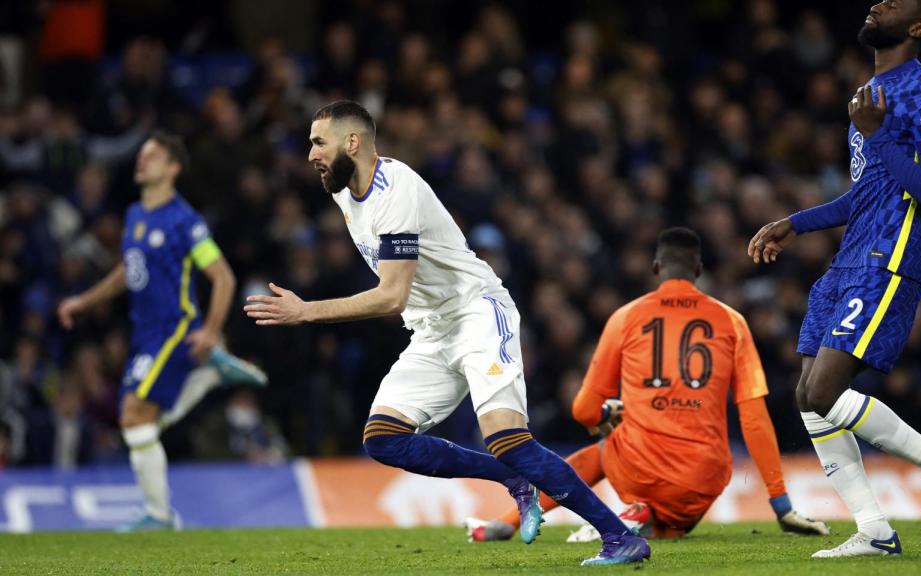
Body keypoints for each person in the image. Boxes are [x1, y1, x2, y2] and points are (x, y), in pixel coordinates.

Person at [243, 100, 650, 566]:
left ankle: (619, 537)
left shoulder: (395, 190)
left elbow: (391, 294)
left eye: (318, 142)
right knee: (383, 438)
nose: (310, 153)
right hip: (432, 327)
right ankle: (512, 478)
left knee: (506, 436)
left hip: (475, 311)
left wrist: (306, 311)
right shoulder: (341, 190)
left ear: (352, 142)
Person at [747, 0, 921, 559]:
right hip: (852, 253)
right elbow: (868, 191)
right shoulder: (866, 93)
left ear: (918, 28)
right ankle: (874, 529)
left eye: (895, 2)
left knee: (826, 390)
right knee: (807, 396)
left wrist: (876, 135)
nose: (879, 3)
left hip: (891, 252)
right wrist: (794, 223)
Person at [468, 228, 829, 542]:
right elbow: (753, 418)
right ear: (699, 270)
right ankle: (645, 517)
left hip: (641, 468)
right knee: (675, 525)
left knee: (601, 451)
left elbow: (583, 410)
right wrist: (781, 504)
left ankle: (511, 522)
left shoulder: (626, 317)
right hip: (705, 477)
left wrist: (614, 411)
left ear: (656, 268)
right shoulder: (732, 322)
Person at [57, 131, 268, 531]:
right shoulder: (136, 214)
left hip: (176, 327)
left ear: (174, 167)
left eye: (153, 155)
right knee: (138, 421)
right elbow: (128, 270)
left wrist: (209, 331)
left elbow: (223, 278)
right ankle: (207, 376)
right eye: (141, 154)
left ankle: (158, 515)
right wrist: (84, 301)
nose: (143, 160)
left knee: (134, 414)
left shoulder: (185, 222)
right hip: (144, 331)